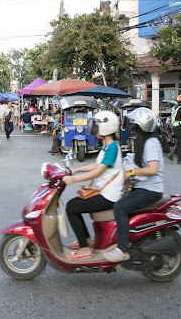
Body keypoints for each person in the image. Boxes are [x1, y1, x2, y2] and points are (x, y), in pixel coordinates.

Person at [104, 107, 164, 262]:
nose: (131, 129)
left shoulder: (150, 143)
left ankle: (122, 249)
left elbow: (152, 169)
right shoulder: (144, 141)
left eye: (133, 126)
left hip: (150, 190)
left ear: (141, 126)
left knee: (120, 207)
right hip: (143, 186)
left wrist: (131, 173)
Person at [63, 111, 124, 260]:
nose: (94, 130)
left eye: (97, 127)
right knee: (73, 204)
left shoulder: (112, 148)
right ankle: (87, 241)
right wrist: (76, 170)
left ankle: (85, 250)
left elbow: (98, 172)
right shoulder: (107, 145)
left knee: (72, 207)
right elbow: (97, 165)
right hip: (104, 192)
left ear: (105, 128)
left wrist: (75, 179)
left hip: (109, 196)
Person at [167, 94, 181, 165]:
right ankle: (179, 159)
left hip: (175, 127)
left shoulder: (174, 107)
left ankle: (171, 154)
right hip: (180, 127)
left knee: (179, 142)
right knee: (180, 144)